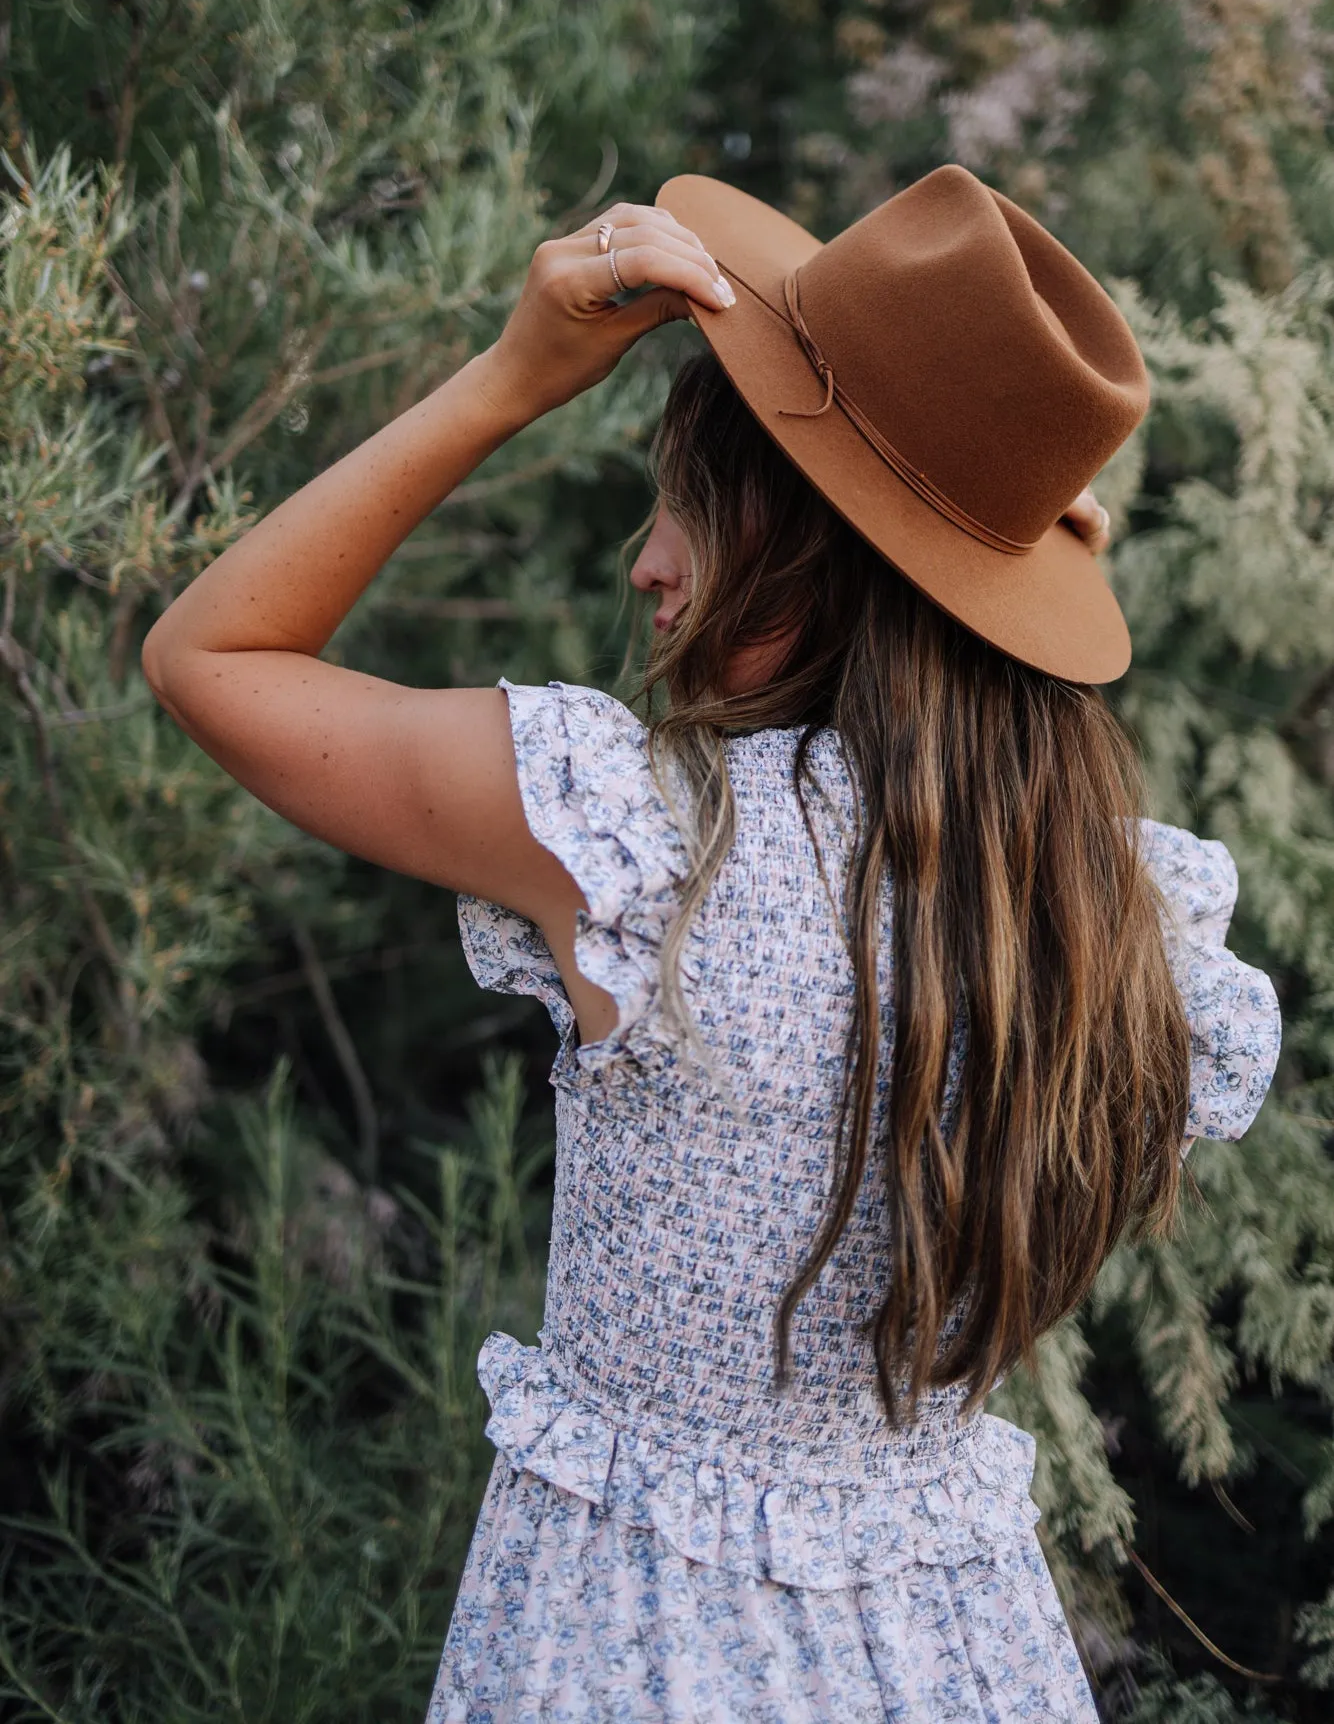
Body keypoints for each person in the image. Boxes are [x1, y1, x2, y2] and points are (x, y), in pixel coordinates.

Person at [142, 166, 1283, 1723]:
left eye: (682, 502)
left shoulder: (638, 836)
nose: (645, 563)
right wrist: (975, 566)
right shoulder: (1097, 909)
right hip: (960, 1652)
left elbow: (211, 653)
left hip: (634, 1643)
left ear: (795, 542)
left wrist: (513, 376)